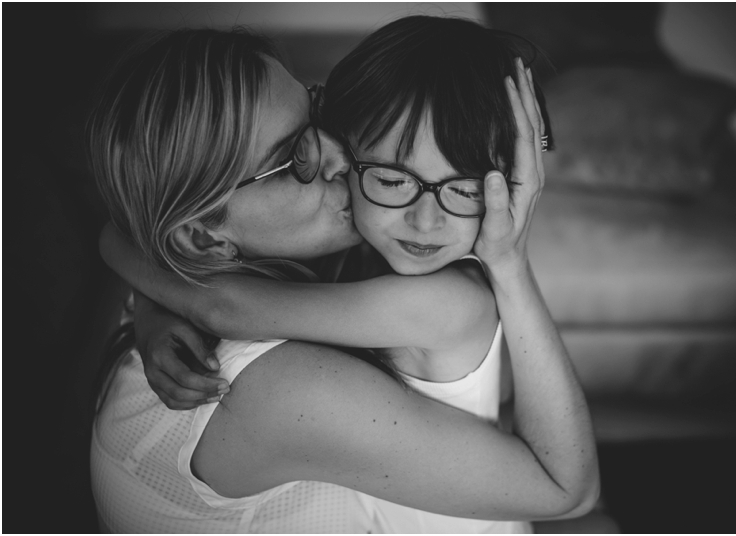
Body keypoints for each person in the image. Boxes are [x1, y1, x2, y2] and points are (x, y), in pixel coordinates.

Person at [91, 23, 598, 533]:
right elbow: (215, 304)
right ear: (202, 240)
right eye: (295, 161)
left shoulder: (365, 275)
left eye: (317, 112)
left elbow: (149, 250)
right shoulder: (270, 388)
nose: (340, 156)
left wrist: (149, 289)